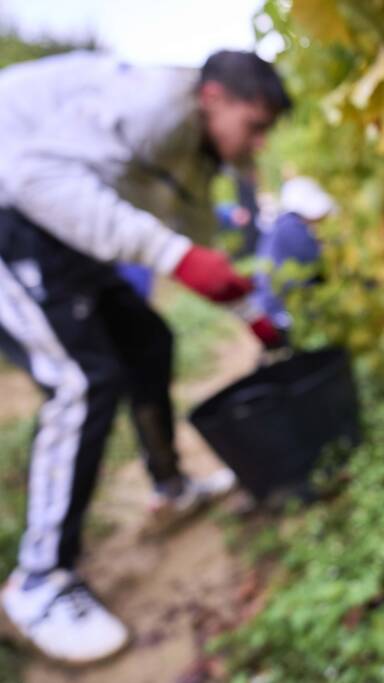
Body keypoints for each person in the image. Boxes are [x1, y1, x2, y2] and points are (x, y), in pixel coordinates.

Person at [0, 49, 288, 664]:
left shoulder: (190, 150)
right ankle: (38, 582)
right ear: (214, 98)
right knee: (80, 380)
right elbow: (34, 178)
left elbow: (191, 240)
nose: (258, 144)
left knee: (148, 342)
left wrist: (252, 315)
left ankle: (169, 488)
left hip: (53, 227)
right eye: (255, 124)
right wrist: (176, 258)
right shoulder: (154, 101)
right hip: (12, 216)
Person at [252, 176, 336, 331]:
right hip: (278, 313)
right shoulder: (292, 228)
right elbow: (320, 265)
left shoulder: (283, 226)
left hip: (272, 305)